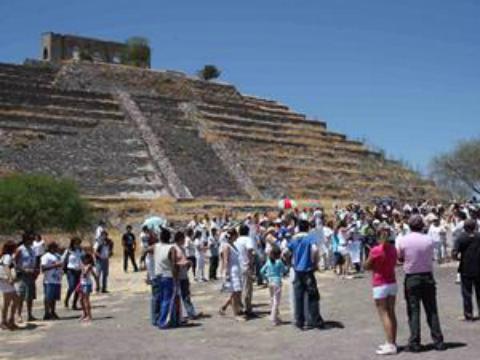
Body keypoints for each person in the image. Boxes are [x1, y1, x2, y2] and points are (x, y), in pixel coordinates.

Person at [396, 215, 446, 352]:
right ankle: (438, 341)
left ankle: (415, 342)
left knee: (413, 310)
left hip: (412, 276)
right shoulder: (428, 239)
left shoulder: (404, 240)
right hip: (427, 275)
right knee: (432, 309)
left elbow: (400, 258)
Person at [364, 224, 398, 355]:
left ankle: (390, 344)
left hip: (380, 283)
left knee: (384, 314)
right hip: (391, 281)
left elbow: (366, 266)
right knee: (391, 313)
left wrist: (371, 260)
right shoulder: (393, 249)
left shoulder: (376, 250)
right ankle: (391, 341)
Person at [284, 220, 324, 330]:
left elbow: (285, 252)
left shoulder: (294, 238)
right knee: (313, 296)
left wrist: (289, 263)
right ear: (307, 228)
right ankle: (316, 320)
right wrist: (315, 262)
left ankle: (299, 321)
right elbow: (315, 250)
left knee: (298, 297)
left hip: (297, 270)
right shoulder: (310, 238)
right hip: (308, 270)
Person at [153, 228, 181, 329]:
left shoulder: (156, 246)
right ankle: (163, 321)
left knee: (161, 299)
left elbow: (146, 250)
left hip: (158, 275)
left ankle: (161, 319)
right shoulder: (171, 248)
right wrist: (176, 277)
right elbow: (173, 264)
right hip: (167, 276)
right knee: (167, 300)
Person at [452, 219, 480, 321]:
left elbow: (454, 253)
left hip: (466, 268)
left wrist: (459, 258)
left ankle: (468, 314)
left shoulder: (461, 238)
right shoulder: (479, 236)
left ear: (464, 227)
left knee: (467, 293)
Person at [173, 231, 201, 320]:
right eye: (183, 239)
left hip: (184, 275)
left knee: (186, 295)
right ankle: (181, 314)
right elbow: (174, 263)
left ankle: (190, 312)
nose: (184, 240)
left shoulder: (182, 248)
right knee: (179, 296)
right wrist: (185, 263)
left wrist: (187, 264)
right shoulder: (174, 249)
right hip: (178, 276)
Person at [219, 229, 243, 321]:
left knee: (237, 291)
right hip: (231, 271)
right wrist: (226, 273)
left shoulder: (233, 245)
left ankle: (224, 307)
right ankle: (235, 314)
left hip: (237, 270)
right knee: (235, 292)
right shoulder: (226, 246)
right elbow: (225, 260)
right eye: (236, 235)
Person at [14, 232, 38, 322]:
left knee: (30, 296)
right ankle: (19, 315)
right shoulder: (20, 249)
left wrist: (35, 270)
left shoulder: (32, 249)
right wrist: (24, 270)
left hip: (31, 274)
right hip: (23, 275)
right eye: (31, 239)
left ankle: (30, 314)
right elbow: (14, 263)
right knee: (21, 295)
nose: (32, 241)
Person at [260, 245, 287, 325]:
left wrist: (265, 278)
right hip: (277, 282)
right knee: (276, 301)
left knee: (272, 299)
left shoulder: (268, 262)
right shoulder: (279, 262)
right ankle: (273, 318)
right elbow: (284, 270)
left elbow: (261, 271)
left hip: (270, 282)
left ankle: (276, 317)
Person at [235, 224, 256, 317]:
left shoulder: (236, 240)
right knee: (247, 288)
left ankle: (239, 307)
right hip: (245, 265)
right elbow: (250, 250)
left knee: (239, 288)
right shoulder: (248, 239)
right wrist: (250, 262)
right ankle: (247, 309)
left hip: (237, 266)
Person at [40, 241, 63, 320]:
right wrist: (55, 265)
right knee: (48, 297)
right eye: (54, 247)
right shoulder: (46, 256)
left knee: (54, 298)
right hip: (49, 280)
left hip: (57, 279)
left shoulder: (58, 255)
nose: (56, 249)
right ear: (50, 248)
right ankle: (47, 313)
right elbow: (43, 268)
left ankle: (53, 311)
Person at [0, 241, 19, 330]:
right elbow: (6, 266)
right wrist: (10, 277)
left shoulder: (6, 256)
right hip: (6, 280)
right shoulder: (7, 256)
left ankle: (10, 320)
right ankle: (4, 321)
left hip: (5, 280)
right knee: (7, 301)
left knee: (15, 300)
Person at [63, 237, 84, 310]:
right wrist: (63, 269)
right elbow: (63, 260)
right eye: (76, 243)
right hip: (71, 270)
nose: (77, 245)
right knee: (72, 286)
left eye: (78, 243)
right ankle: (66, 300)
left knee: (78, 287)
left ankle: (74, 304)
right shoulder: (68, 251)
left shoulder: (81, 250)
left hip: (79, 270)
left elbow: (83, 259)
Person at [78, 253, 98, 322]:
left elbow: (85, 274)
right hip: (82, 283)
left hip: (87, 284)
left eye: (85, 258)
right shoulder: (84, 265)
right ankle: (85, 313)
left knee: (86, 300)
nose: (83, 260)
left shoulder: (89, 266)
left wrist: (97, 285)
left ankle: (89, 316)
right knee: (81, 299)